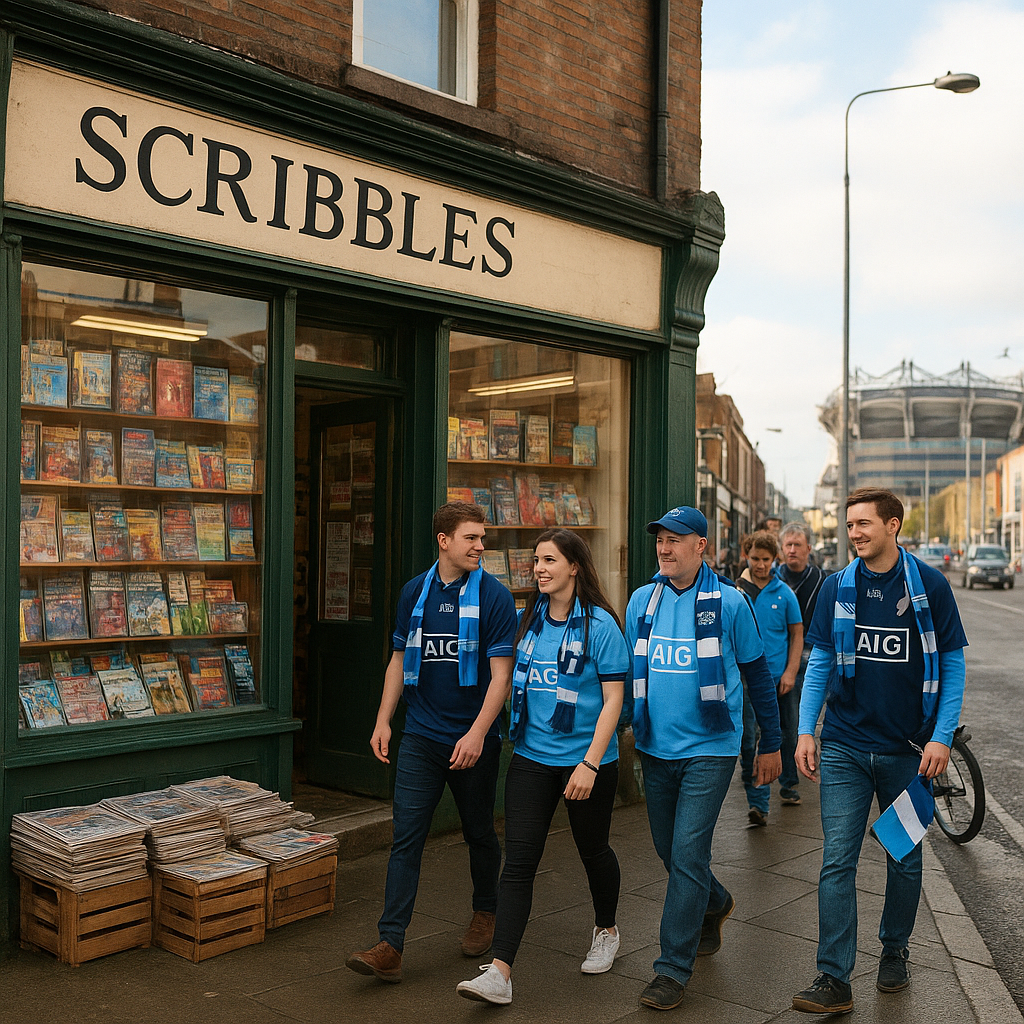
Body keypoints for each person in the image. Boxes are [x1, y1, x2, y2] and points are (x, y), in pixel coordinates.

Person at [792, 488, 968, 1014]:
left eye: (864, 524)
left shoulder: (930, 586)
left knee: (904, 858)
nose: (855, 533)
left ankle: (894, 949)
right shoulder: (837, 587)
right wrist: (807, 731)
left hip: (908, 751)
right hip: (845, 745)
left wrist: (941, 736)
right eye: (849, 525)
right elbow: (820, 662)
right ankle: (833, 977)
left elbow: (954, 665)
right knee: (836, 861)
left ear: (893, 525)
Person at [456, 529, 629, 1005]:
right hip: (532, 757)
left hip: (587, 762)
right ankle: (500, 972)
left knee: (593, 851)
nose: (540, 568)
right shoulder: (527, 619)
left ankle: (607, 929)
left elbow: (614, 699)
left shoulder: (601, 626)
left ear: (575, 566)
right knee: (519, 863)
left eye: (550, 560)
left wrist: (590, 764)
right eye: (536, 561)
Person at [346, 501, 517, 984]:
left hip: (472, 738)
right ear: (444, 540)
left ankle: (487, 912)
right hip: (421, 735)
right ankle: (391, 944)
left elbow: (501, 678)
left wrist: (478, 734)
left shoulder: (495, 598)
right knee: (407, 837)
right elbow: (399, 660)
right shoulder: (414, 593)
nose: (481, 546)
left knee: (480, 832)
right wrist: (383, 720)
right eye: (471, 538)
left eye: (483, 538)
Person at [626, 506, 782, 1011]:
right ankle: (714, 902)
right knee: (669, 852)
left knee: (688, 854)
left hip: (711, 749)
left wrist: (771, 743)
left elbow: (758, 676)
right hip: (654, 746)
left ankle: (672, 968)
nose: (665, 548)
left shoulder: (732, 604)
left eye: (676, 540)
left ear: (701, 548)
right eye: (660, 540)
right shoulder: (639, 603)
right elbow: (628, 675)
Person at [734, 530, 802, 826]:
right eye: (755, 559)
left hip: (778, 678)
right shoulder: (735, 593)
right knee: (749, 742)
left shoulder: (785, 593)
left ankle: (788, 783)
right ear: (745, 556)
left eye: (766, 559)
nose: (761, 565)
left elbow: (797, 634)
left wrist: (790, 671)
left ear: (775, 560)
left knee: (784, 735)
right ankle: (758, 803)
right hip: (745, 682)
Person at [775, 521, 828, 806]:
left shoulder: (822, 580)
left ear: (809, 548)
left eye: (798, 545)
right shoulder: (773, 579)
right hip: (783, 659)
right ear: (781, 549)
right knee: (791, 722)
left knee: (809, 720)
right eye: (788, 545)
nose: (793, 550)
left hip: (816, 656)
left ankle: (809, 766)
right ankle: (790, 779)